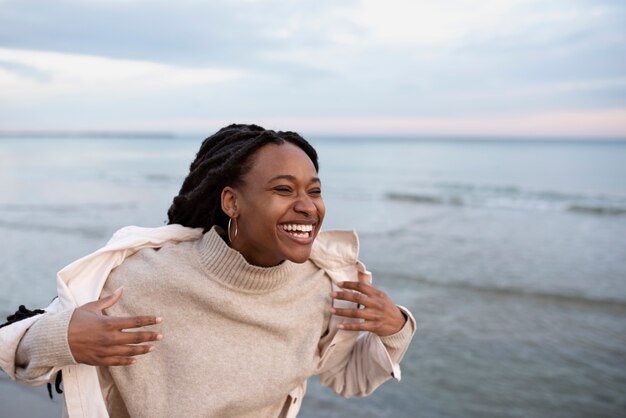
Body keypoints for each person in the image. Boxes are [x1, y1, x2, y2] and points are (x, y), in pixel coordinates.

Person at [1, 124, 415, 418]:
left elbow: (348, 379)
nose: (308, 206)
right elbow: (13, 351)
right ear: (232, 202)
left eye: (315, 190)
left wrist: (394, 329)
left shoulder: (323, 289)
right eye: (284, 189)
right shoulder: (139, 277)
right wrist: (62, 337)